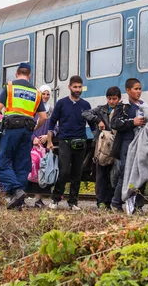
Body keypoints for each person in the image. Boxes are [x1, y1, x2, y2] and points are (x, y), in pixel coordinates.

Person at [0, 63, 46, 209]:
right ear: (29, 75)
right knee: (22, 165)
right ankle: (18, 201)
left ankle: (16, 191)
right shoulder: (37, 92)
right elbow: (43, 117)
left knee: (0, 163)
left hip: (11, 128)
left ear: (17, 74)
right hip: (27, 130)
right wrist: (33, 128)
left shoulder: (10, 86)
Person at [47, 76, 94, 211]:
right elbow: (52, 121)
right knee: (64, 171)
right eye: (75, 87)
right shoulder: (61, 103)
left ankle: (73, 202)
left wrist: (98, 135)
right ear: (69, 87)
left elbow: (91, 124)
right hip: (65, 141)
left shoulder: (86, 105)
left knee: (77, 174)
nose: (77, 90)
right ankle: (55, 199)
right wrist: (49, 140)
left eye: (79, 87)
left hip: (81, 142)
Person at [82, 86, 128, 210]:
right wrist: (97, 120)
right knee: (101, 175)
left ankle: (113, 200)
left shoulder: (123, 110)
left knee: (115, 174)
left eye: (114, 99)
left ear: (119, 98)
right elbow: (85, 113)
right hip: (102, 148)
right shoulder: (101, 110)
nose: (112, 101)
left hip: (117, 146)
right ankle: (102, 202)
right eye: (109, 99)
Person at [111, 78, 148, 212]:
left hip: (141, 142)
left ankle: (138, 205)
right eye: (135, 89)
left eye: (140, 89)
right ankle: (116, 202)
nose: (138, 91)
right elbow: (115, 123)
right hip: (127, 142)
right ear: (128, 90)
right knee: (125, 173)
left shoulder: (143, 105)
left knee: (140, 173)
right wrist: (133, 122)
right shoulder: (123, 105)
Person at [27, 85, 57, 208]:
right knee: (30, 170)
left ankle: (38, 199)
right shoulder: (32, 109)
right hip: (32, 144)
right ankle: (24, 196)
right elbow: (28, 126)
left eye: (47, 94)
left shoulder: (52, 110)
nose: (45, 96)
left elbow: (56, 127)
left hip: (45, 145)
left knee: (42, 170)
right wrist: (33, 137)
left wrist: (47, 136)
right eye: (43, 94)